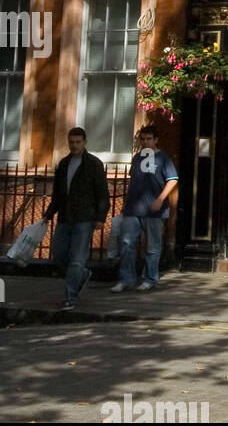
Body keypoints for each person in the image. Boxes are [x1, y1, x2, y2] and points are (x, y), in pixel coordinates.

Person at [44, 127, 110, 310]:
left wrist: (101, 217)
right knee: (58, 254)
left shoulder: (93, 164)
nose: (74, 145)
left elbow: (103, 194)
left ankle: (70, 298)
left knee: (77, 259)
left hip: (85, 218)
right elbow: (58, 193)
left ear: (84, 142)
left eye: (78, 142)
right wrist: (49, 213)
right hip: (65, 217)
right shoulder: (64, 164)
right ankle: (81, 276)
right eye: (71, 142)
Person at [112, 126, 178, 293]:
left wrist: (160, 199)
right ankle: (126, 279)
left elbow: (172, 180)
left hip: (154, 210)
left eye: (149, 139)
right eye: (143, 139)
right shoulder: (137, 158)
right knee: (127, 243)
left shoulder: (163, 158)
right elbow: (134, 182)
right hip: (134, 208)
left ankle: (150, 279)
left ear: (156, 140)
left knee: (153, 246)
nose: (146, 142)